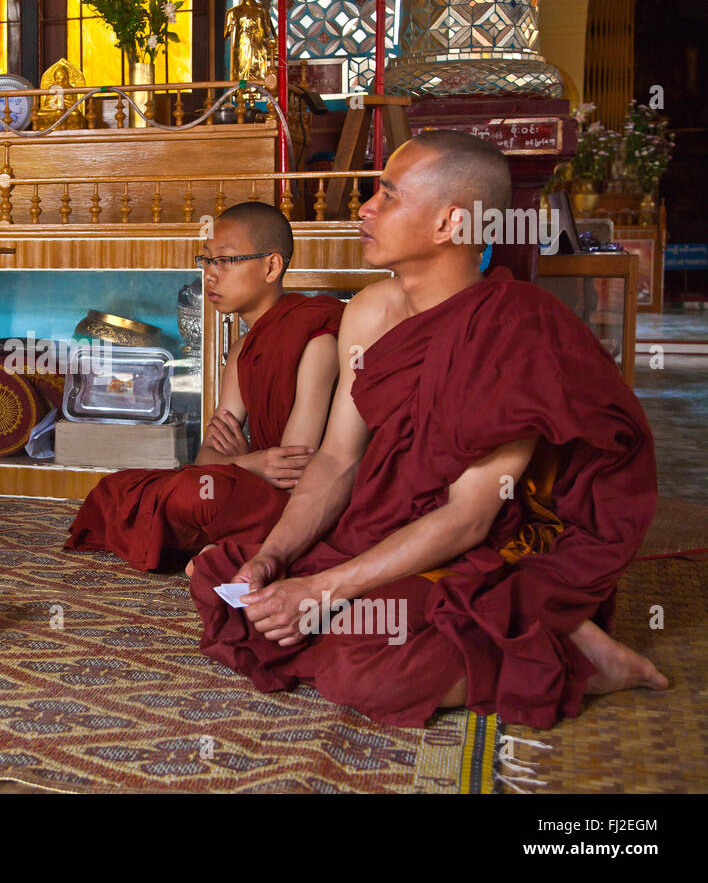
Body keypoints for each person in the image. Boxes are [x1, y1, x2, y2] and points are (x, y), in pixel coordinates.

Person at [187, 131, 667, 729]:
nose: (365, 208)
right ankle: (515, 631)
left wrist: (323, 590)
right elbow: (337, 459)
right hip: (386, 525)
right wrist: (277, 556)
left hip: (484, 544)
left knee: (365, 669)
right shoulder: (369, 313)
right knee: (226, 576)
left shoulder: (512, 329)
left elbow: (471, 516)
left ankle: (569, 652)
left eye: (387, 196)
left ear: (449, 223)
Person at [66, 202, 342, 571]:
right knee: (118, 487)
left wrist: (242, 466)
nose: (210, 276)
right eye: (206, 261)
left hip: (307, 500)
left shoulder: (315, 338)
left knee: (197, 494)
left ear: (272, 266)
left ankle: (247, 549)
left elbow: (291, 468)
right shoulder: (243, 348)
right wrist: (249, 463)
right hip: (251, 485)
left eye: (226, 261)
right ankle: (234, 546)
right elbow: (207, 456)